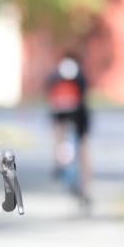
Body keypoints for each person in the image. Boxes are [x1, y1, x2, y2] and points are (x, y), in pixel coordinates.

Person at [45, 52, 91, 202]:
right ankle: (60, 165)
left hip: (76, 115)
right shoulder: (60, 78)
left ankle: (82, 185)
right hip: (65, 114)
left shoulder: (60, 78)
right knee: (65, 139)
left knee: (80, 147)